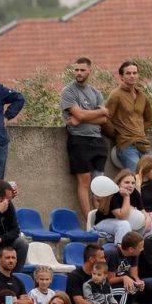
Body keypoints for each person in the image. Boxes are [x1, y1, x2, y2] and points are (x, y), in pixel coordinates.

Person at [60, 57, 111, 217]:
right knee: (84, 181)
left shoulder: (96, 92)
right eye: (76, 70)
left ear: (89, 70)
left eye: (82, 70)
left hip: (97, 140)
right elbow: (80, 115)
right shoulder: (68, 91)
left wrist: (84, 116)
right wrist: (99, 112)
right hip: (79, 140)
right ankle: (89, 221)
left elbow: (104, 119)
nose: (79, 73)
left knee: (99, 183)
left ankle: (99, 219)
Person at [103, 59, 152, 172]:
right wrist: (116, 133)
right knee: (137, 177)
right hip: (126, 145)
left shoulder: (142, 96)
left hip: (144, 144)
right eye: (128, 73)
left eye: (134, 73)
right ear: (121, 77)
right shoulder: (115, 95)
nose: (132, 76)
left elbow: (150, 119)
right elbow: (105, 118)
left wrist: (139, 131)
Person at [107, 231, 152, 304]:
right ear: (131, 249)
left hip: (126, 282)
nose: (143, 249)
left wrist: (139, 282)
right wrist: (124, 278)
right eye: (141, 247)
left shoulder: (134, 254)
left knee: (148, 289)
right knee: (129, 289)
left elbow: (134, 276)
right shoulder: (113, 253)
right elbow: (109, 280)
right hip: (110, 286)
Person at [92, 169, 142, 245]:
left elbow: (143, 211)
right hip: (103, 223)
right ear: (119, 183)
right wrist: (126, 197)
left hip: (119, 222)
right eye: (127, 182)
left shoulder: (135, 193)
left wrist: (148, 219)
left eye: (133, 183)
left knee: (150, 225)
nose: (130, 185)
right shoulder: (113, 194)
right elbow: (122, 216)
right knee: (124, 225)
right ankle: (120, 251)